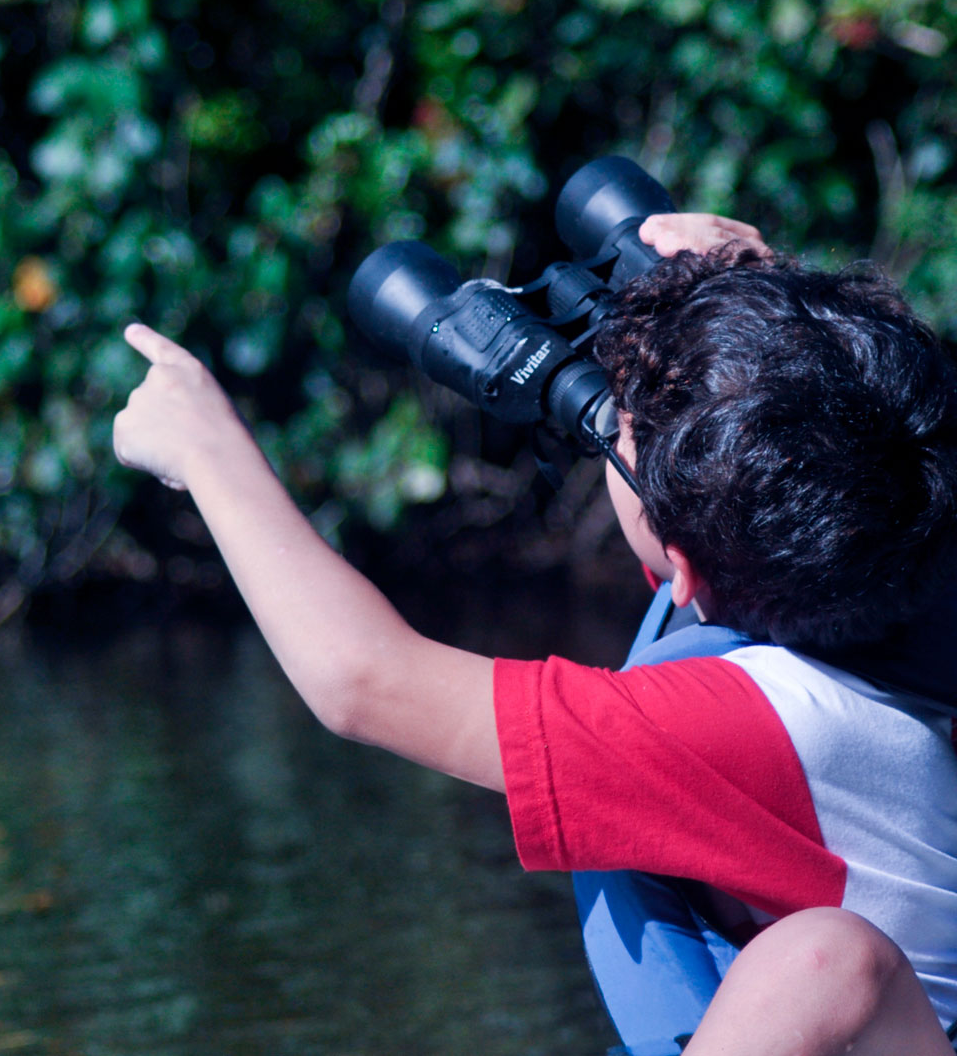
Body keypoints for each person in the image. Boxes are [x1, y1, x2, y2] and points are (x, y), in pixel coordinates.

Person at [112, 211, 957, 1056]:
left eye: (615, 435)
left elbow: (363, 681)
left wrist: (208, 449)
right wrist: (765, 292)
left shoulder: (746, 725)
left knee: (824, 959)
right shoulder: (897, 550)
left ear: (683, 565)